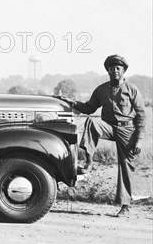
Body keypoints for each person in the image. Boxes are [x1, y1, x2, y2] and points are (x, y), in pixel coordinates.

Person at [55, 55, 146, 217]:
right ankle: (88, 162)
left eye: (118, 68)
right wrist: (72, 102)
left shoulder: (132, 90)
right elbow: (89, 108)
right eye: (112, 68)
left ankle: (125, 205)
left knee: (125, 167)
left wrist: (138, 139)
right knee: (91, 122)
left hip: (127, 130)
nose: (115, 71)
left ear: (124, 71)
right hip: (109, 127)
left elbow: (141, 115)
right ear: (108, 71)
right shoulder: (102, 89)